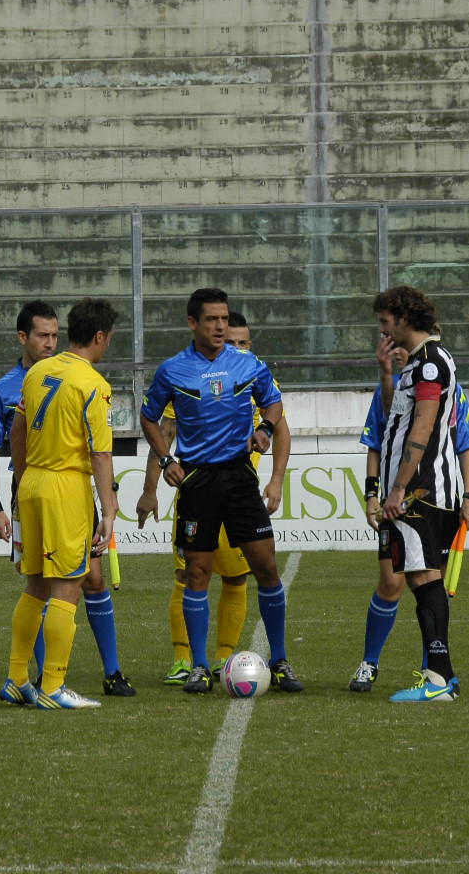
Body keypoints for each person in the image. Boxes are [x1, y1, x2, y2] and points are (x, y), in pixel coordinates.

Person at [140, 288, 302, 694]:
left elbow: (274, 404)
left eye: (224, 319)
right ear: (193, 323)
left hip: (239, 478)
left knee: (265, 568)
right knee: (196, 572)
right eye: (211, 319)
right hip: (197, 481)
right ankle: (197, 665)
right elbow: (149, 418)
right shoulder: (172, 370)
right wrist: (165, 461)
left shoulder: (247, 364)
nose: (219, 326)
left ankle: (280, 660)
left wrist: (264, 429)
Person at [0, 301, 133, 698]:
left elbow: (16, 430)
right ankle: (54, 685)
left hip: (30, 484)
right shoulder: (94, 384)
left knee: (35, 587)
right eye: (109, 340)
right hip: (66, 487)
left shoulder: (38, 373)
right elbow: (100, 453)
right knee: (69, 585)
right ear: (99, 337)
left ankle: (16, 680)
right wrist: (110, 511)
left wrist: (28, 479)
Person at [350, 334, 469, 692]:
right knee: (392, 582)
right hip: (396, 501)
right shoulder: (388, 389)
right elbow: (375, 444)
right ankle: (370, 663)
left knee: (429, 583)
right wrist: (372, 494)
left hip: (432, 496)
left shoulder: (444, 383)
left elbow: (465, 441)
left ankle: (433, 669)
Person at [372, 286, 465, 704]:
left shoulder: (429, 365)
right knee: (424, 578)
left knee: (423, 578)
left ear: (404, 319)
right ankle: (443, 674)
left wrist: (398, 489)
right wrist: (387, 372)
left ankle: (438, 679)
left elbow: (423, 428)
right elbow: (397, 416)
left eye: (385, 322)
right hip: (421, 488)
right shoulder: (418, 364)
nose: (382, 330)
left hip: (421, 491)